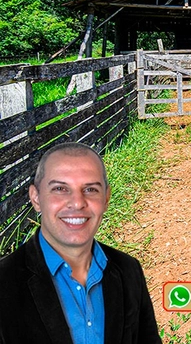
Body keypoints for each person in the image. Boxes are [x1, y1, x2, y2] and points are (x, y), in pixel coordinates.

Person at [0, 142, 162, 344]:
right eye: (60, 188)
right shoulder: (4, 282)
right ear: (36, 198)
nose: (77, 203)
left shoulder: (129, 270)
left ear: (106, 198)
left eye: (91, 189)